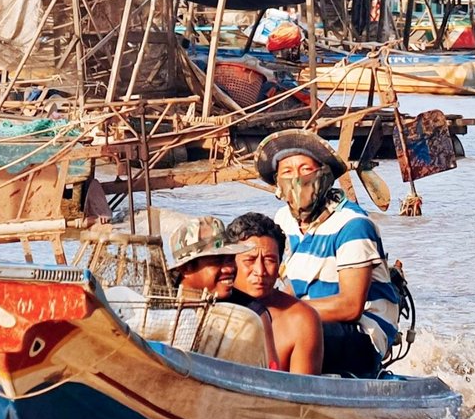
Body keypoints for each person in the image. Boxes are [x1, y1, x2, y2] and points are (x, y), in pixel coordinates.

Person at [255, 130, 405, 377]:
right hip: (309, 320)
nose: (296, 180)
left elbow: (350, 306)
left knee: (285, 327)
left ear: (324, 175)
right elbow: (290, 286)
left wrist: (284, 312)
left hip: (361, 333)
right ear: (277, 182)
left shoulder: (352, 225)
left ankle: (288, 393)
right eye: (287, 172)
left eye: (305, 169)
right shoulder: (284, 221)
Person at [149, 214, 269, 366]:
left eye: (231, 259)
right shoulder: (159, 306)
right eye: (217, 261)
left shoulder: (248, 312)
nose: (229, 268)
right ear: (186, 268)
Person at [218, 215, 323, 375]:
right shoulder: (213, 308)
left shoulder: (301, 320)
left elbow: (302, 393)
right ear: (231, 263)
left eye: (269, 260)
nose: (260, 271)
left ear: (280, 264)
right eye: (250, 260)